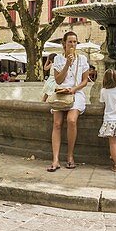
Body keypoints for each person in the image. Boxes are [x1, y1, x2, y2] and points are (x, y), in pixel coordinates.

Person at [48, 31, 90, 172]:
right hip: (61, 93)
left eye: (75, 42)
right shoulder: (58, 59)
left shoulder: (83, 59)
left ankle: (70, 156)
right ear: (64, 44)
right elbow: (58, 80)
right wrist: (67, 64)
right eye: (70, 42)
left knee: (72, 120)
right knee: (57, 123)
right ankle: (55, 159)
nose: (72, 44)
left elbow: (85, 81)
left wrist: (73, 89)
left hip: (76, 93)